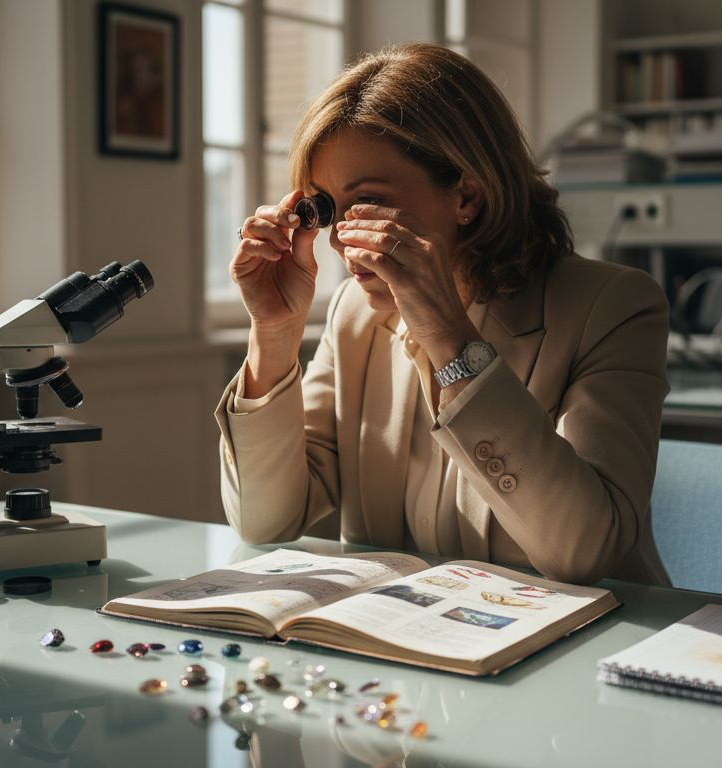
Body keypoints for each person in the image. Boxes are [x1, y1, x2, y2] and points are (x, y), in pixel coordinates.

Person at [215, 42, 669, 585]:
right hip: (412, 645)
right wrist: (275, 330)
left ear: (467, 198)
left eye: (366, 204)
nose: (340, 241)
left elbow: (586, 552)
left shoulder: (612, 306)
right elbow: (265, 522)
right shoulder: (354, 316)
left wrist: (450, 342)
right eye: (326, 210)